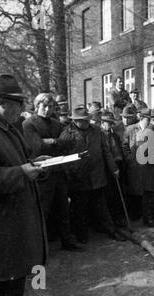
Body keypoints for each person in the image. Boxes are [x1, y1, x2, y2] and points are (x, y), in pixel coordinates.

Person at [0, 74, 47, 296]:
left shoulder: (4, 126)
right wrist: (21, 172)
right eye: (19, 103)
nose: (23, 108)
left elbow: (11, 162)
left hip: (11, 232)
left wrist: (34, 164)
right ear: (2, 103)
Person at [22, 93, 83, 251]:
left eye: (50, 107)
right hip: (42, 173)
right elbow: (38, 147)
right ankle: (39, 247)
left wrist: (52, 142)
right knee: (43, 211)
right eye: (44, 106)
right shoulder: (29, 124)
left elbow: (68, 142)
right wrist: (55, 142)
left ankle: (67, 240)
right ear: (37, 106)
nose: (48, 109)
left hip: (59, 171)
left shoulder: (56, 124)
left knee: (63, 208)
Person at [59, 105, 123, 242]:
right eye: (83, 120)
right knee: (80, 209)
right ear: (76, 121)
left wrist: (113, 168)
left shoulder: (97, 131)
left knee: (102, 206)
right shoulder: (66, 134)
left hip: (96, 175)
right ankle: (81, 236)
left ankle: (111, 230)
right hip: (79, 178)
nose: (87, 122)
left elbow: (106, 151)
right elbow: (63, 158)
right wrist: (70, 175)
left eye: (88, 119)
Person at [100, 110, 128, 228]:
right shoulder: (100, 135)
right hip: (106, 169)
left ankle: (119, 218)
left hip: (118, 166)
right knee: (109, 195)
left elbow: (119, 151)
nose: (111, 125)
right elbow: (105, 154)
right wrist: (113, 168)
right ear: (102, 123)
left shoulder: (114, 135)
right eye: (109, 123)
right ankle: (110, 220)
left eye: (112, 123)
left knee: (118, 193)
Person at [122, 109, 150, 221]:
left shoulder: (151, 130)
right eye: (147, 119)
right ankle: (134, 214)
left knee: (145, 189)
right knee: (134, 189)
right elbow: (124, 147)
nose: (149, 121)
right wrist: (130, 159)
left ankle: (143, 213)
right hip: (134, 165)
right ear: (141, 118)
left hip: (147, 164)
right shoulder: (130, 129)